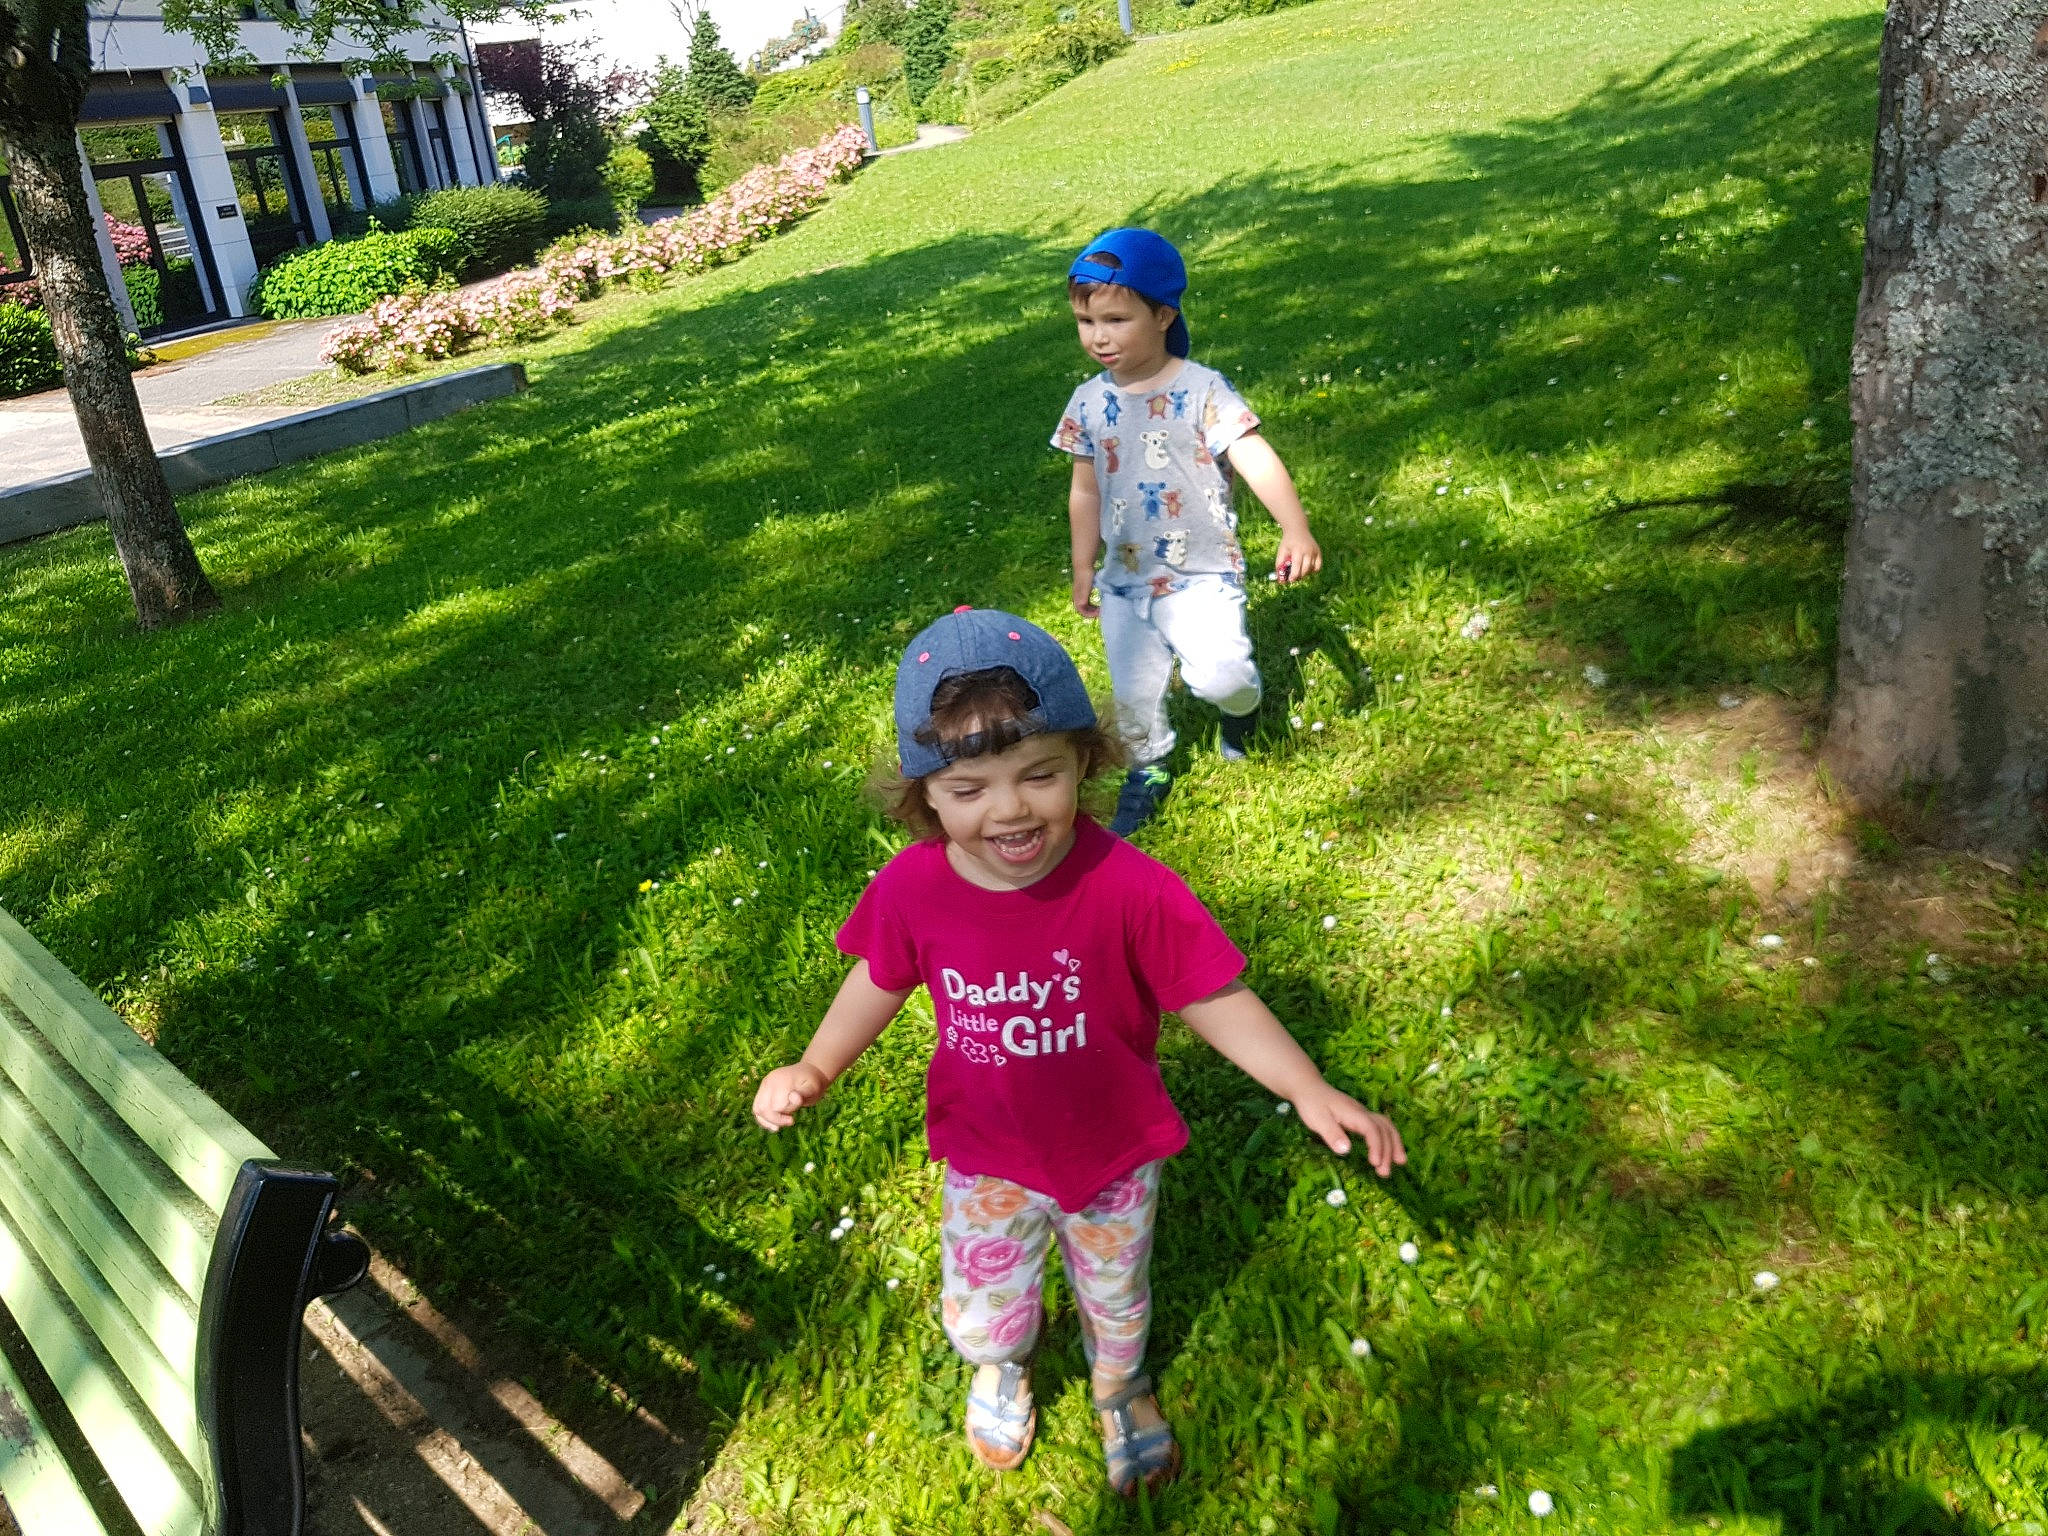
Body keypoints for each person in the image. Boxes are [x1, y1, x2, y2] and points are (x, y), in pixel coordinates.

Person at [750, 607, 1406, 1498]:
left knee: (1116, 1294)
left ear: (1086, 764)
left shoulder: (1126, 885)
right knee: (983, 1307)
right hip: (985, 1156)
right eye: (969, 789)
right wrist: (815, 1065)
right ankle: (1002, 1367)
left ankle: (1119, 1386)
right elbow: (878, 978)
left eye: (1039, 775)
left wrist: (1308, 1085)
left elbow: (1211, 992)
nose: (1010, 808)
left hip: (1113, 1154)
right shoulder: (911, 889)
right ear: (925, 798)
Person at [1053, 227, 1322, 837]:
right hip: (1127, 579)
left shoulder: (1200, 389)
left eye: (1116, 319)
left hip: (1201, 571)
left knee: (1221, 675)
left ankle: (1241, 712)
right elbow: (1085, 489)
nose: (1098, 336)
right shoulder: (1088, 403)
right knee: (1134, 701)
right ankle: (1149, 768)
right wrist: (1082, 564)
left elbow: (1252, 454)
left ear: (1163, 313)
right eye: (1084, 321)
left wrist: (1295, 527)